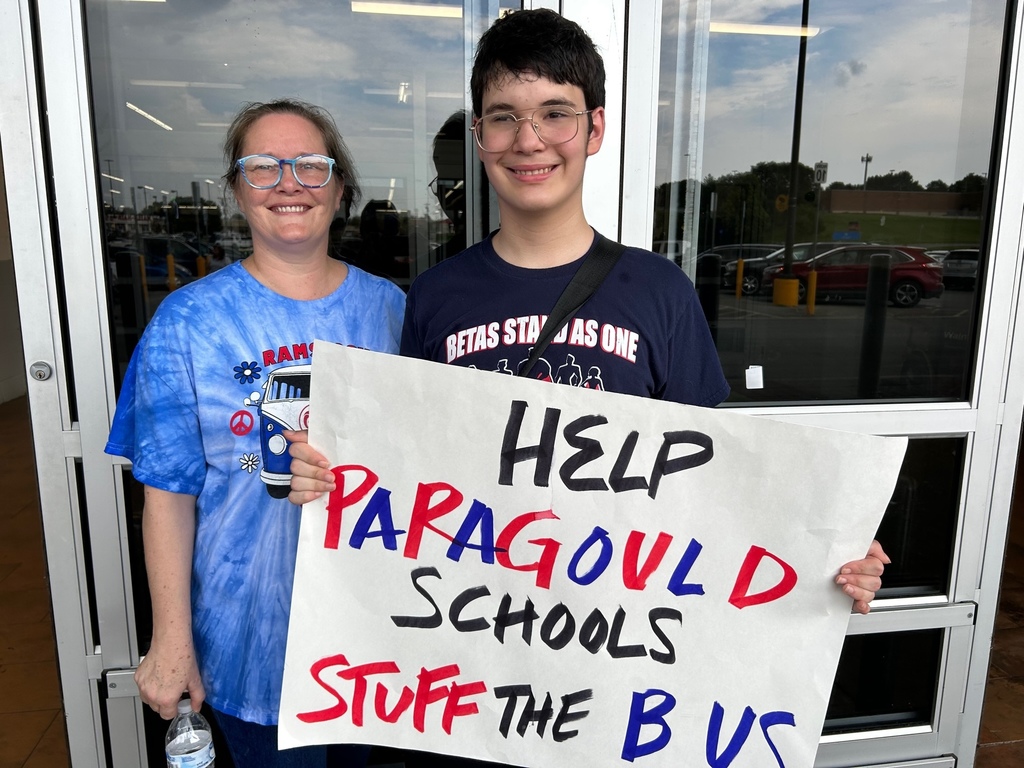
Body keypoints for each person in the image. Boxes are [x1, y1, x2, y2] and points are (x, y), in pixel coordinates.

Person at [105, 98, 406, 767]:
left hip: (369, 644)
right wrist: (171, 640)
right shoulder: (188, 324)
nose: (288, 182)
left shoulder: (390, 311)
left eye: (309, 165)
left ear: (339, 187)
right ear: (237, 191)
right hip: (247, 646)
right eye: (263, 167)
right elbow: (167, 496)